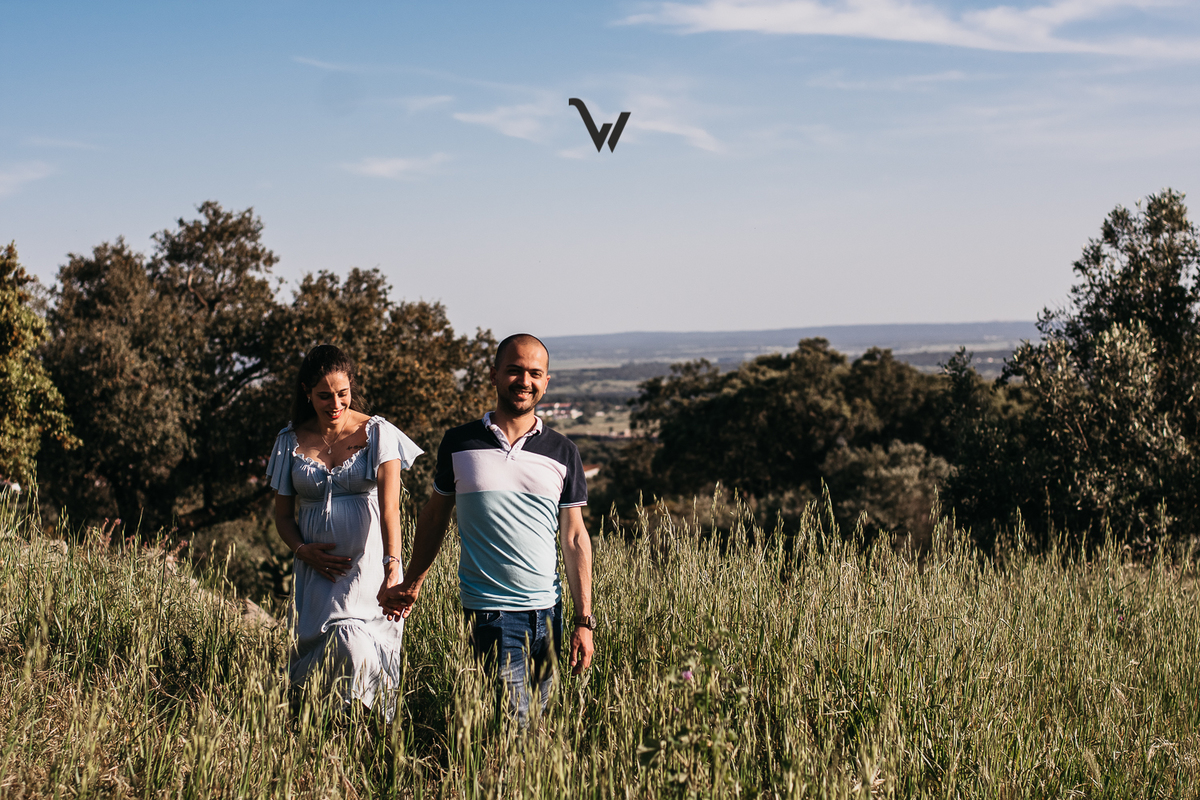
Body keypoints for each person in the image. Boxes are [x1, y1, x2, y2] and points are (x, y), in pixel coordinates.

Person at [379, 333, 595, 726]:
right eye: (514, 370)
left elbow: (575, 537)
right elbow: (434, 518)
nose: (524, 381)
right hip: (490, 612)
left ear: (547, 381)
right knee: (516, 726)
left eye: (534, 373)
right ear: (494, 375)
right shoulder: (459, 443)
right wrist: (412, 581)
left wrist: (583, 621)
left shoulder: (564, 452)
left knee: (538, 727)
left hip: (549, 614)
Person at [266, 344, 424, 719]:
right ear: (307, 392)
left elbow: (390, 510)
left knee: (357, 643)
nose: (335, 404)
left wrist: (391, 568)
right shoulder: (289, 441)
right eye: (323, 396)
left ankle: (372, 730)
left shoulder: (378, 434)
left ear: (351, 387)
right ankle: (323, 728)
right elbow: (283, 517)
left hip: (369, 571)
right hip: (317, 572)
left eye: (342, 394)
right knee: (323, 650)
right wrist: (302, 550)